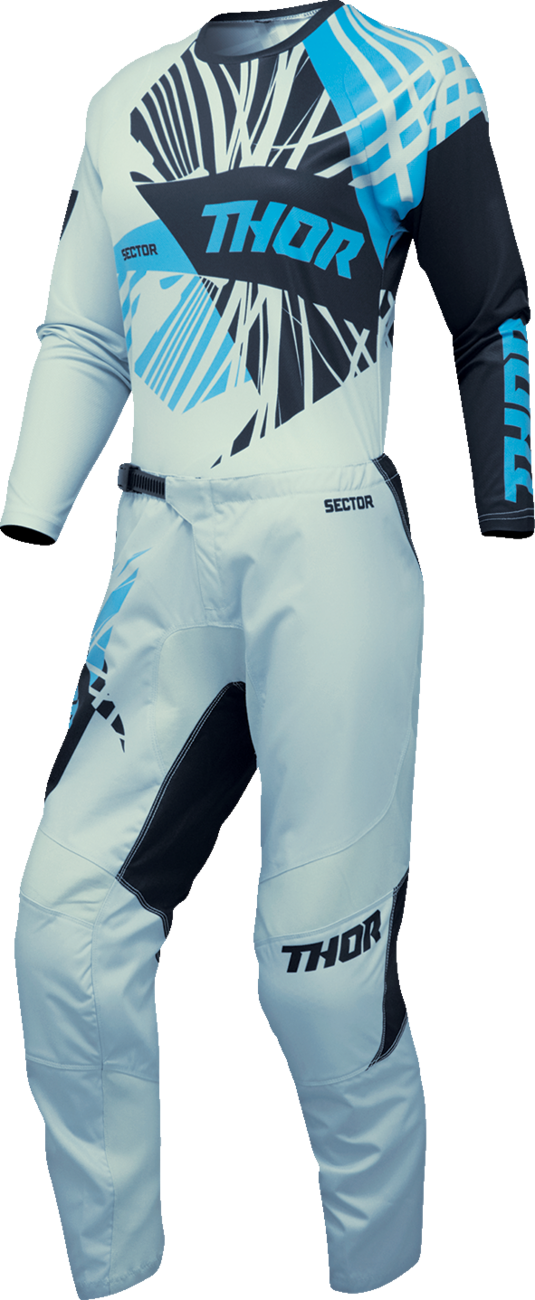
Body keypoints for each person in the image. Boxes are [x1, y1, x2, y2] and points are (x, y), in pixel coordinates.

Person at [5, 6, 532, 1299]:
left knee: (320, 976)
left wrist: (505, 502)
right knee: (61, 934)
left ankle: (380, 1271)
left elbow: (491, 313)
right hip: (158, 545)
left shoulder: (414, 80)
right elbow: (83, 334)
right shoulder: (123, 99)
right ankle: (112, 1278)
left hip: (332, 546)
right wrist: (30, 515)